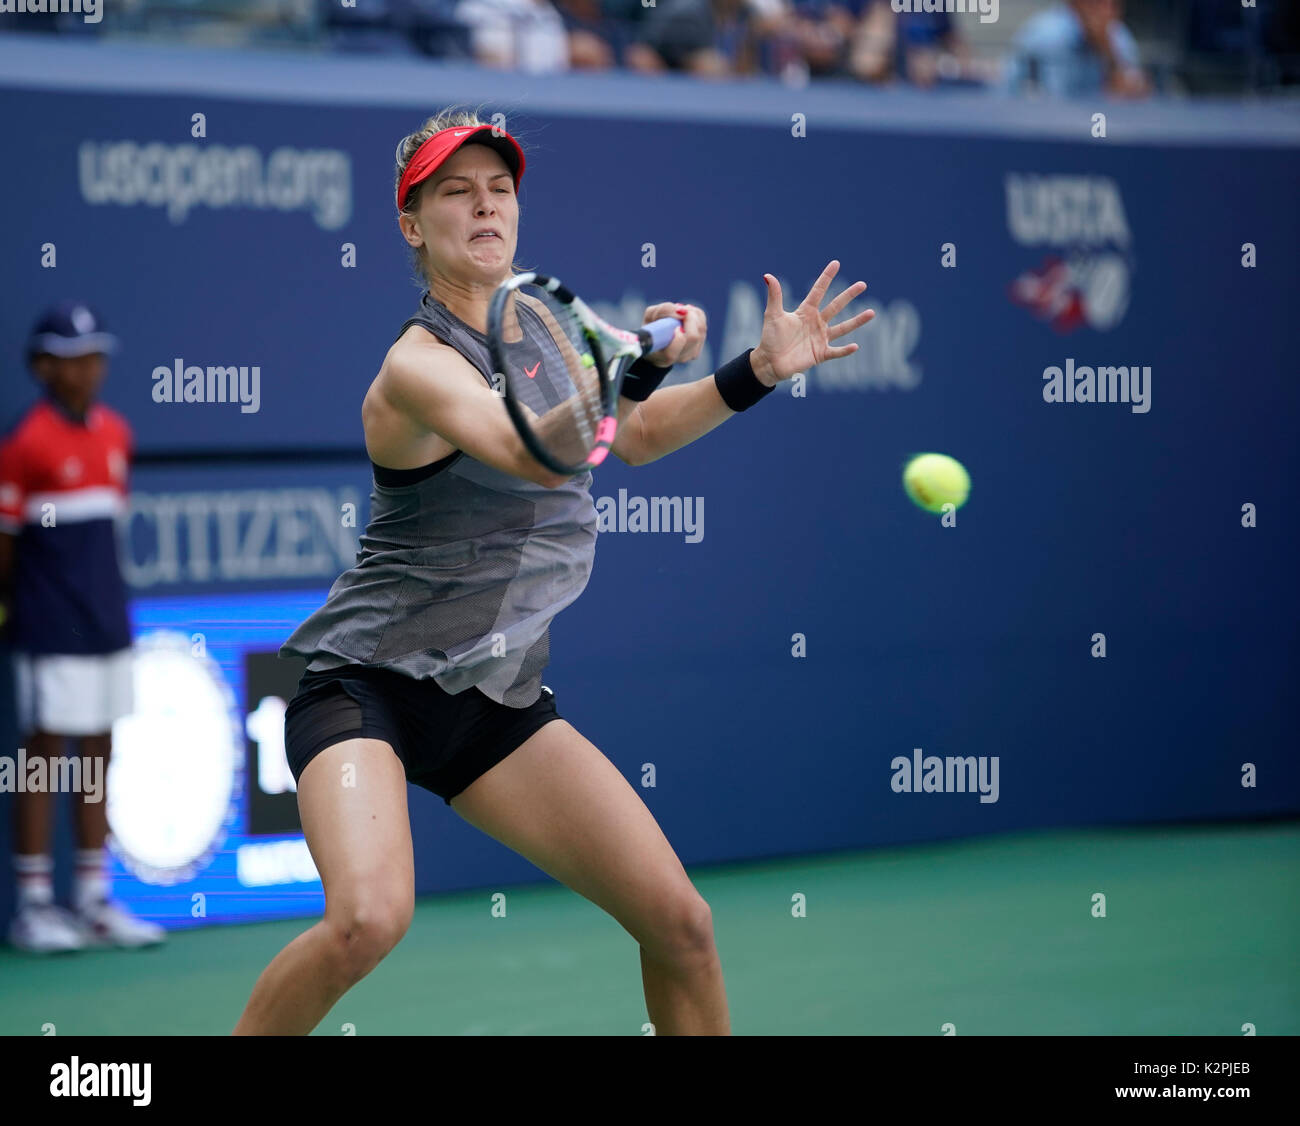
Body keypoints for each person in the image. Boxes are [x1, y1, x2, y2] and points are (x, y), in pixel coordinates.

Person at [233, 108, 873, 1035]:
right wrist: (635, 373)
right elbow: (542, 450)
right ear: (412, 225)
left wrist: (755, 370)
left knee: (680, 925)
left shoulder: (539, 321)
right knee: (368, 919)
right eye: (456, 191)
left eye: (500, 189)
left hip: (490, 698)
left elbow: (637, 436)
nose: (486, 206)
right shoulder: (416, 366)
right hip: (360, 685)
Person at [0, 303, 164, 953]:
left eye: (96, 356)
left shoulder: (116, 434)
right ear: (44, 367)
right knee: (43, 760)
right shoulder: (25, 444)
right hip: (46, 627)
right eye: (73, 359)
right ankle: (34, 905)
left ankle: (93, 898)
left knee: (98, 752)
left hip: (106, 624)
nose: (88, 369)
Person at [1004, 0, 1150, 99]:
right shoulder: (1043, 34)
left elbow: (1137, 96)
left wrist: (1107, 50)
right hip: (1049, 132)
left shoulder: (1119, 36)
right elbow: (1010, 91)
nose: (1105, 9)